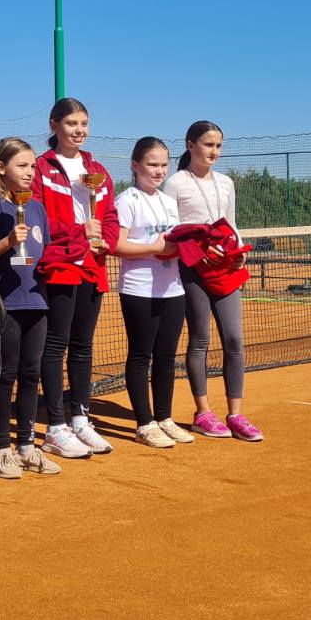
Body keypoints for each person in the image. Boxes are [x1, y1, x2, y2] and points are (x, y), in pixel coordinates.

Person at [162, 120, 263, 442]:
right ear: (190, 145)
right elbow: (171, 229)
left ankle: (236, 414)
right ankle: (203, 412)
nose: (214, 151)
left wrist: (238, 248)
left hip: (225, 267)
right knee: (200, 339)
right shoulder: (175, 183)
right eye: (208, 144)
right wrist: (197, 252)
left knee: (234, 340)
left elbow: (230, 222)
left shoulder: (226, 182)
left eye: (218, 145)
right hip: (192, 269)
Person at [32, 97, 121, 458]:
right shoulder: (41, 168)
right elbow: (37, 218)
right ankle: (55, 426)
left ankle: (81, 419)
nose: (79, 130)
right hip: (60, 264)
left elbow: (110, 214)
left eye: (84, 123)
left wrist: (106, 240)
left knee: (83, 345)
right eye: (71, 123)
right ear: (54, 125)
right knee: (56, 343)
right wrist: (78, 231)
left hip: (92, 265)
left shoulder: (96, 169)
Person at [0, 137, 60, 479]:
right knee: (7, 373)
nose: (30, 172)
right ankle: (2, 449)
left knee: (31, 373)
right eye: (22, 165)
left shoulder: (37, 207)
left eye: (32, 166)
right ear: (1, 167)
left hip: (37, 301)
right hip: (5, 304)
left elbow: (46, 251)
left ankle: (27, 446)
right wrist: (8, 241)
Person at [112, 138, 194, 448]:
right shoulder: (126, 201)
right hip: (139, 289)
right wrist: (155, 248)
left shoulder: (169, 202)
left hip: (173, 289)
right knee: (140, 355)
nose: (159, 171)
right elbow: (116, 245)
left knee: (166, 356)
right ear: (135, 165)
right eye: (152, 164)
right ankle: (145, 424)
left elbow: (176, 240)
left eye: (163, 165)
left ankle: (164, 418)